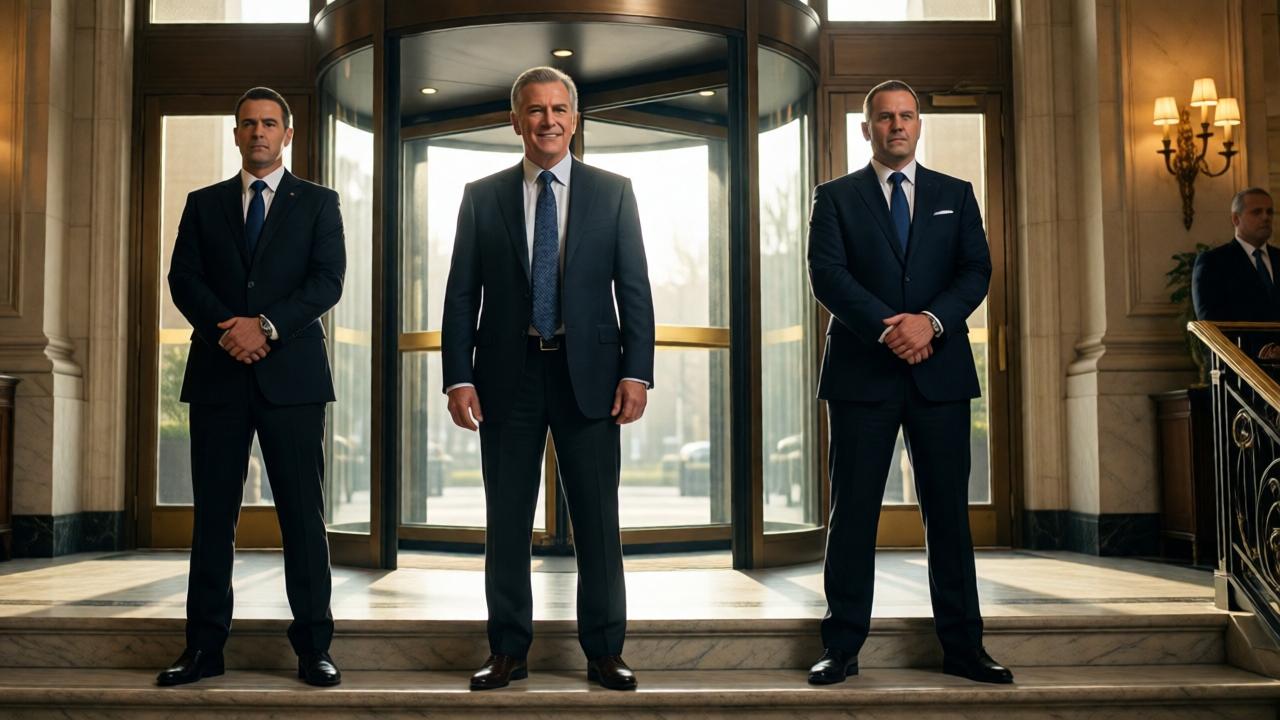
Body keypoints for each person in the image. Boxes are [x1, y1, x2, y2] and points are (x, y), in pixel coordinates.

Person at [440, 66, 655, 691]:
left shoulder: (614, 191)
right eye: (535, 110)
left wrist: (636, 372)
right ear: (516, 122)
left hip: (589, 377)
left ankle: (604, 650)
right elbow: (460, 297)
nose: (549, 120)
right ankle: (507, 649)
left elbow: (634, 291)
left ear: (576, 118)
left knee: (597, 519)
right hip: (508, 376)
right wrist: (459, 377)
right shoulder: (482, 196)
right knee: (506, 519)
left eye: (560, 109)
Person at [805, 79, 1011, 685]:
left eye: (907, 116)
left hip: (939, 374)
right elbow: (827, 275)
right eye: (884, 118)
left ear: (919, 125)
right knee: (854, 514)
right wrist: (889, 329)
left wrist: (932, 323)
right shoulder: (835, 197)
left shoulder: (957, 193)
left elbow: (977, 269)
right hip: (862, 374)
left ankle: (964, 647)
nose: (897, 125)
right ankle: (840, 647)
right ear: (865, 129)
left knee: (948, 514)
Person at [159, 87, 346, 688]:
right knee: (214, 515)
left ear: (288, 135)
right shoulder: (203, 203)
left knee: (302, 515)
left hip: (292, 380)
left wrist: (264, 327)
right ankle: (203, 650)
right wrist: (228, 333)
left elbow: (327, 282)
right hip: (218, 377)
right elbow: (182, 278)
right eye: (247, 124)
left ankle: (314, 647)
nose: (258, 132)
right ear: (235, 135)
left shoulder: (319, 203)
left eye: (269, 124)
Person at [1192, 187, 1280, 322]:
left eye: (1269, 212)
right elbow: (1210, 322)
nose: (1266, 217)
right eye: (1257, 212)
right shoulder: (1213, 262)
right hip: (1236, 343)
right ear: (1235, 219)